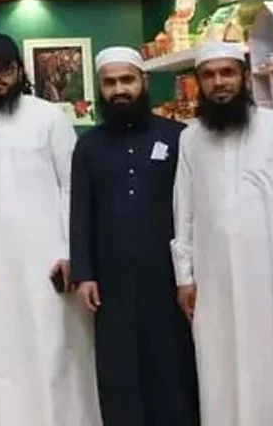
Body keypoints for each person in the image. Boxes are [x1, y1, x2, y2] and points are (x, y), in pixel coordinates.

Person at [172, 42, 273, 425]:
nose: (219, 82)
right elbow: (184, 211)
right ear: (199, 83)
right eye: (209, 75)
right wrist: (184, 277)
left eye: (227, 72)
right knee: (222, 367)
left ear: (244, 77)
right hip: (216, 285)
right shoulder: (190, 139)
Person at [0, 33, 100, 426]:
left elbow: (71, 186)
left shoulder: (49, 117)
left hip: (49, 257)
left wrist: (70, 251)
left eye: (5, 69)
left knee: (54, 346)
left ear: (19, 71)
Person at [69, 46, 199, 426]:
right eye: (110, 83)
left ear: (144, 81)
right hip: (111, 282)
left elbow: (193, 210)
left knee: (172, 369)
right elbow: (80, 212)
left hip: (168, 278)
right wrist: (84, 273)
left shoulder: (179, 137)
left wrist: (191, 273)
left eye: (127, 80)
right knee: (118, 373)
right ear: (100, 88)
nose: (119, 90)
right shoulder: (88, 146)